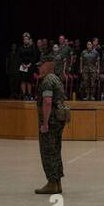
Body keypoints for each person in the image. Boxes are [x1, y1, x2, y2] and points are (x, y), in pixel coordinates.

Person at [34, 54, 68, 195]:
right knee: (55, 150)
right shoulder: (56, 79)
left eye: (41, 65)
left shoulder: (47, 80)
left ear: (49, 65)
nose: (38, 67)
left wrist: (45, 124)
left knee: (48, 151)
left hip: (51, 121)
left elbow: (47, 101)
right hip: (58, 121)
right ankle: (57, 183)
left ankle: (52, 183)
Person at [18, 33, 38, 99]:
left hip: (30, 65)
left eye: (27, 39)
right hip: (22, 66)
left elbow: (34, 57)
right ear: (23, 40)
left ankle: (29, 94)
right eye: (24, 39)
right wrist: (22, 64)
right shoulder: (20, 48)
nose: (25, 40)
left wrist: (30, 64)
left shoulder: (32, 47)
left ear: (29, 40)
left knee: (29, 81)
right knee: (23, 80)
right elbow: (19, 57)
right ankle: (24, 94)